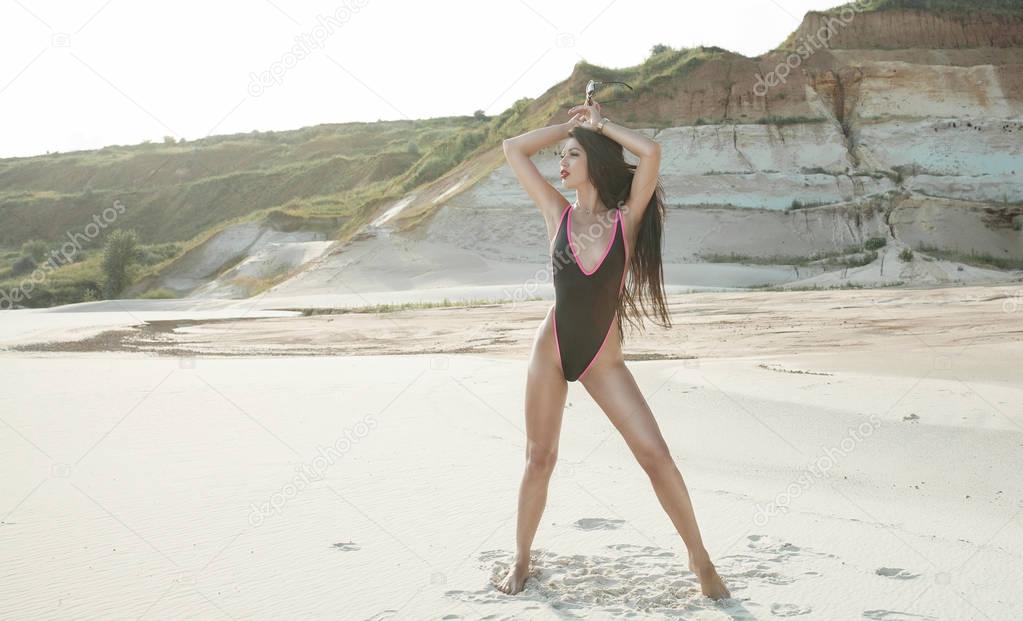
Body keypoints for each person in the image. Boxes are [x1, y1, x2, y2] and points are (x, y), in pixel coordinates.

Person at [494, 98, 730, 600]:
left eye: (572, 155)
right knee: (540, 459)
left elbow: (650, 152)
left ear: (595, 164)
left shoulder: (628, 219)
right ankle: (521, 559)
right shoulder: (555, 212)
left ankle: (700, 558)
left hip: (603, 357)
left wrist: (599, 124)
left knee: (656, 456)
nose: (561, 163)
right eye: (561, 155)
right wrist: (567, 125)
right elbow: (514, 149)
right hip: (552, 349)